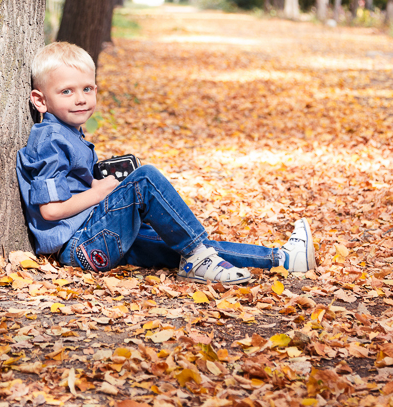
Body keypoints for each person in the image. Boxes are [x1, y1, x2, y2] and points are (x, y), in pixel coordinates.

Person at [16, 42, 316, 285]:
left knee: (177, 245)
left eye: (87, 89)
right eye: (66, 91)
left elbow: (72, 188)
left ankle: (282, 259)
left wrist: (100, 186)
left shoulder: (68, 133)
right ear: (40, 101)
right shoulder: (50, 140)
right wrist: (101, 192)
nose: (80, 98)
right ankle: (199, 256)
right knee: (144, 178)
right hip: (83, 245)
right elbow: (51, 210)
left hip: (94, 237)